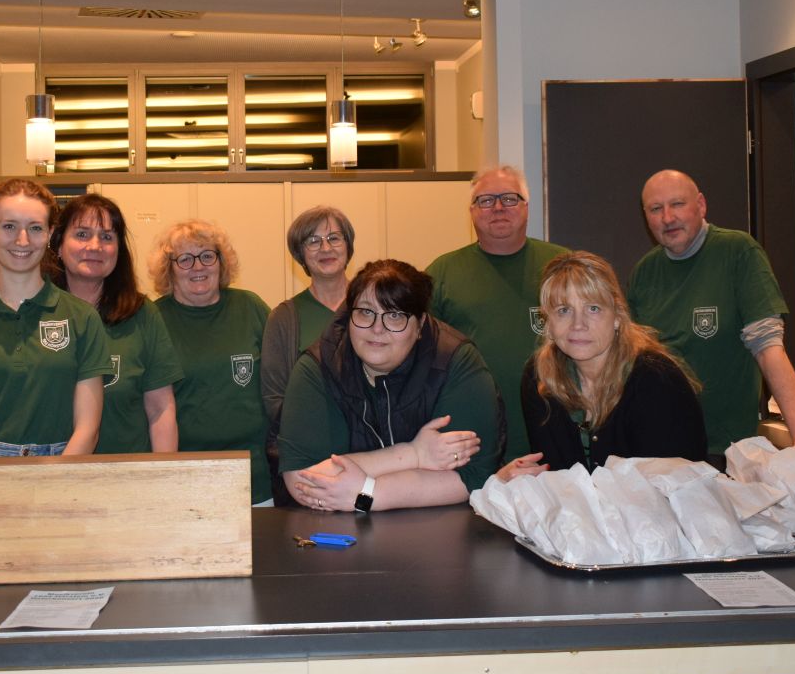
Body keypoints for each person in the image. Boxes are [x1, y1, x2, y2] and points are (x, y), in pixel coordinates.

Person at [626, 169, 795, 455]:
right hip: (663, 447)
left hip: (728, 450)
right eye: (656, 209)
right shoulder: (644, 272)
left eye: (677, 204)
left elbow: (768, 347)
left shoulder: (738, 252)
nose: (667, 218)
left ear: (701, 205)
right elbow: (631, 362)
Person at [278, 258, 502, 512]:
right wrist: (414, 454)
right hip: (333, 530)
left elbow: (473, 477)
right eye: (365, 312)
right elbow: (303, 482)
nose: (377, 328)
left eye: (394, 315)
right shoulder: (318, 367)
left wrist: (367, 494)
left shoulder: (455, 362)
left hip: (438, 526)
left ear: (420, 324)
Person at [0, 179, 109, 475]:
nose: (22, 240)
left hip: (59, 470)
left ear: (50, 234)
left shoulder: (82, 318)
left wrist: (54, 482)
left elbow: (88, 430)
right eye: (9, 226)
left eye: (35, 228)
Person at [498, 251, 705, 481]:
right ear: (548, 322)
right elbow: (555, 478)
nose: (578, 324)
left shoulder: (657, 379)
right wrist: (509, 479)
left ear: (617, 316)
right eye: (564, 310)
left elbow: (677, 486)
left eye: (593, 308)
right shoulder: (539, 378)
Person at [426, 164, 568, 463]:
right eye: (486, 200)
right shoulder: (442, 273)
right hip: (472, 434)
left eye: (509, 198)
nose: (498, 207)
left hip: (555, 426)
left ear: (526, 207)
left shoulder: (563, 265)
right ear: (471, 211)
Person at [47, 193, 182, 454]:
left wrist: (164, 474)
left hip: (129, 473)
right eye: (82, 234)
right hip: (50, 472)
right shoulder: (37, 312)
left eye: (107, 237)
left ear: (119, 251)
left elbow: (160, 410)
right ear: (59, 245)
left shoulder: (142, 314)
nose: (95, 246)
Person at [149, 219, 272, 504]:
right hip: (184, 477)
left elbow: (283, 379)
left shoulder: (250, 307)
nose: (198, 267)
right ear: (169, 268)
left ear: (221, 262)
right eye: (185, 259)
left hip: (254, 474)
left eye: (207, 256)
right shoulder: (153, 319)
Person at [260, 205, 354, 499]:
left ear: (348, 246)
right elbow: (275, 400)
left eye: (334, 238)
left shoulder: (373, 306)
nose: (325, 248)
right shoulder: (284, 318)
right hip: (309, 464)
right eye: (313, 241)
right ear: (300, 255)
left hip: (375, 456)